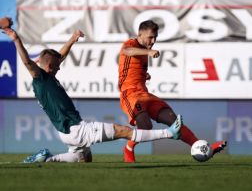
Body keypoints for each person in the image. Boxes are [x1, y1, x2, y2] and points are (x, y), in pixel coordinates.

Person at [1, 24, 182, 163]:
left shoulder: (47, 76)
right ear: (48, 67)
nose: (59, 66)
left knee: (84, 159)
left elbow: (59, 56)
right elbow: (27, 63)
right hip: (77, 129)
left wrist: (72, 39)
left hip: (67, 132)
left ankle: (46, 158)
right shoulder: (40, 78)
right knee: (124, 131)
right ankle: (169, 133)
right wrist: (16, 39)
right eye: (56, 66)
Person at [118, 20, 227, 163]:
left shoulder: (144, 49)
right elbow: (126, 51)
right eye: (150, 37)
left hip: (145, 94)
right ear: (140, 34)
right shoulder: (131, 44)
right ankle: (128, 148)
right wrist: (149, 52)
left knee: (174, 121)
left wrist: (144, 75)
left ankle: (200, 146)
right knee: (146, 126)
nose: (153, 40)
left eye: (155, 37)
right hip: (130, 94)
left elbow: (131, 69)